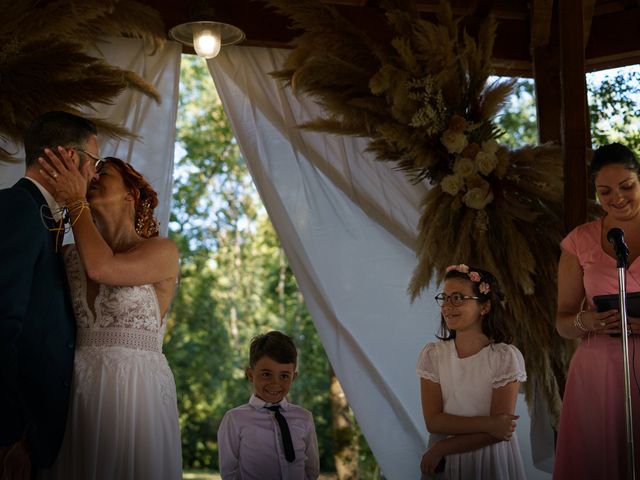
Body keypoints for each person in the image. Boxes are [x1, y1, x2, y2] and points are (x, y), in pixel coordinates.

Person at [36, 153, 182, 479]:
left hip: (136, 394)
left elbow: (103, 268)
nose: (93, 175)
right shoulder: (68, 256)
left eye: (105, 171)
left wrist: (75, 201)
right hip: (76, 391)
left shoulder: (162, 251)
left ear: (130, 194)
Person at [0, 111, 100, 479]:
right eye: (93, 162)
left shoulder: (46, 218)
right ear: (68, 157)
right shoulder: (18, 210)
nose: (94, 175)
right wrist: (10, 435)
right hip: (14, 438)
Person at [554, 142, 640, 478]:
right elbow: (562, 322)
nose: (616, 198)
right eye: (605, 192)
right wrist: (584, 320)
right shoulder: (579, 241)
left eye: (626, 187)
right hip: (598, 373)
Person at [416, 264, 527, 479]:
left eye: (458, 297)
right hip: (444, 463)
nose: (448, 305)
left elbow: (500, 432)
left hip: (488, 459)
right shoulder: (433, 356)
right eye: (445, 298)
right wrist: (489, 424)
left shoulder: (504, 358)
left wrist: (442, 448)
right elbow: (433, 422)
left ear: (484, 307)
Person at [217, 331, 320, 479]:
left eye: (284, 376)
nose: (275, 383)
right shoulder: (234, 419)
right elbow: (229, 472)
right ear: (251, 374)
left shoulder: (304, 418)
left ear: (294, 377)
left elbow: (312, 469)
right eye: (266, 374)